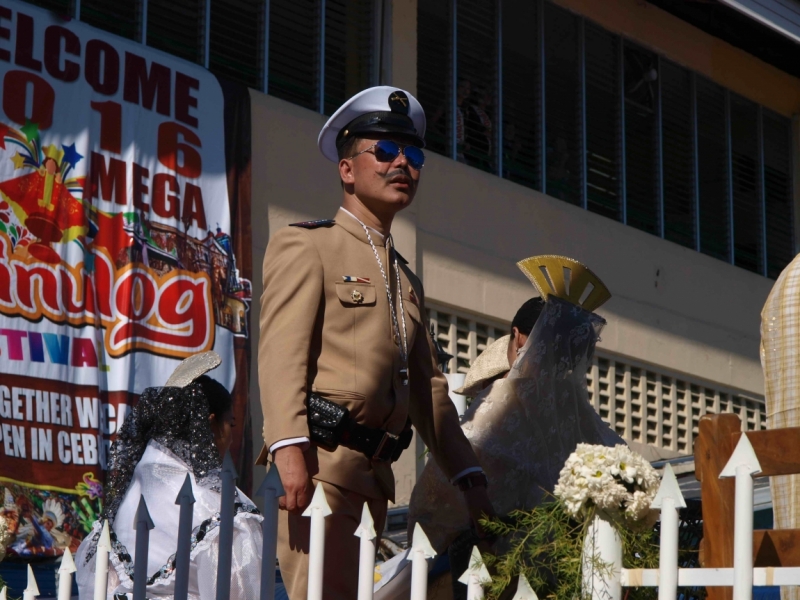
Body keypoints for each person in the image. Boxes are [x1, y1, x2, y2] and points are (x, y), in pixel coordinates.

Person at [257, 85, 493, 600]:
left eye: (413, 155)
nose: (401, 163)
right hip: (319, 471)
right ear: (347, 170)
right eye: (384, 152)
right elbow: (281, 357)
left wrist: (470, 476)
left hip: (374, 479)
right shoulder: (308, 244)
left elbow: (430, 393)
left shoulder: (403, 278)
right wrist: (288, 452)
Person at [75, 353, 262, 599]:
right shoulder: (217, 503)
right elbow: (240, 589)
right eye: (231, 424)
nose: (230, 437)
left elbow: (97, 582)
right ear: (211, 424)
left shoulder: (128, 492)